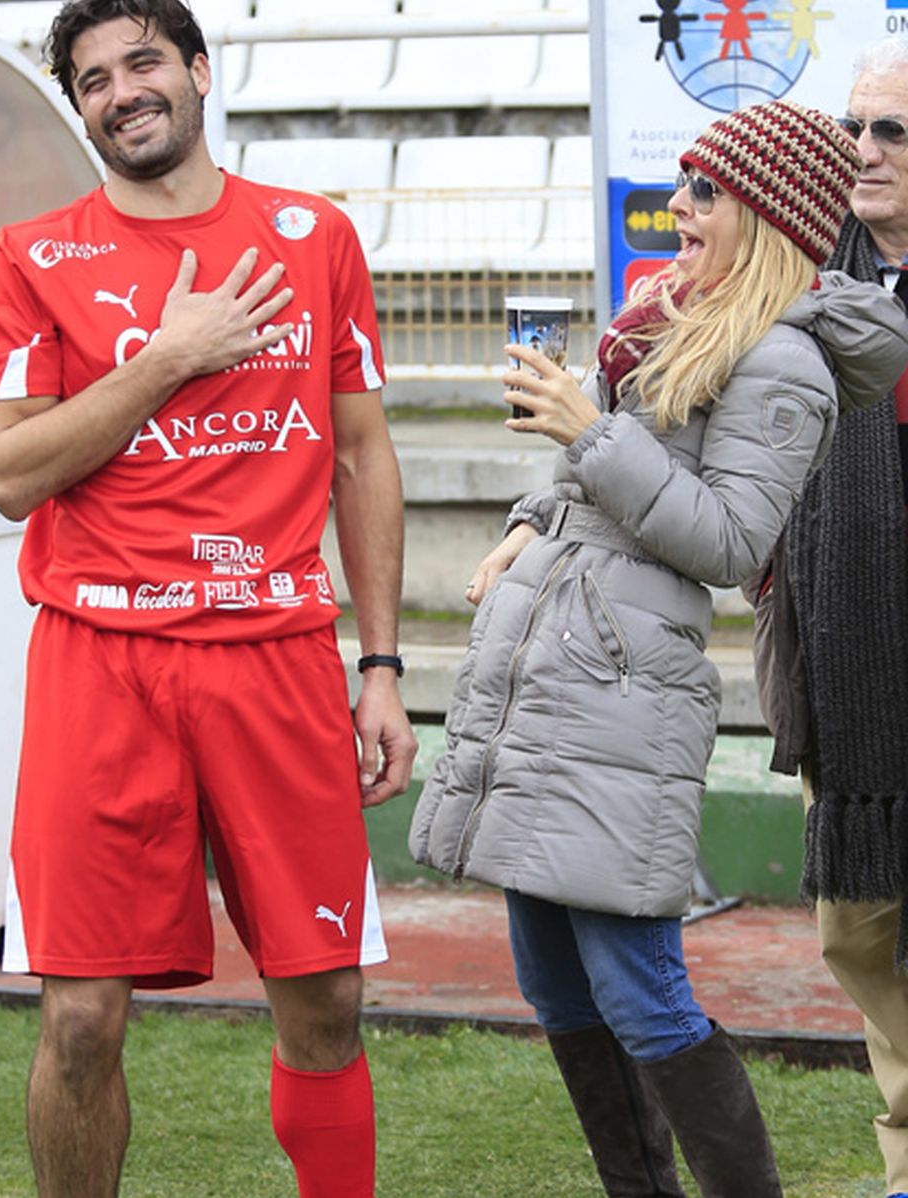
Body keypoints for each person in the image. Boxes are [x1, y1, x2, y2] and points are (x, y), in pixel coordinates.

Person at [410, 99, 908, 1198]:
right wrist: (525, 527)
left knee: (640, 993)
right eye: (681, 183)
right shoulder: (674, 317)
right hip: (556, 672)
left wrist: (588, 429)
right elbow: (597, 490)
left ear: (769, 216)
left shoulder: (786, 365)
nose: (678, 207)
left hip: (621, 698)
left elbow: (728, 542)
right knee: (555, 986)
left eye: (705, 191)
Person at [0, 2, 417, 1195]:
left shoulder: (309, 237)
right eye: (95, 78)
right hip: (99, 656)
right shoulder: (29, 256)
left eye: (144, 62)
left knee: (325, 995)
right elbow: (8, 473)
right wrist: (168, 356)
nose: (123, 90)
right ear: (81, 108)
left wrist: (380, 666)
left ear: (200, 72)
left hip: (273, 652)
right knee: (80, 1022)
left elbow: (364, 455)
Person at [747, 36, 908, 1198]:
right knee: (855, 938)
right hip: (848, 665)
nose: (863, 151)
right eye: (856, 127)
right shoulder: (797, 278)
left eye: (890, 130)